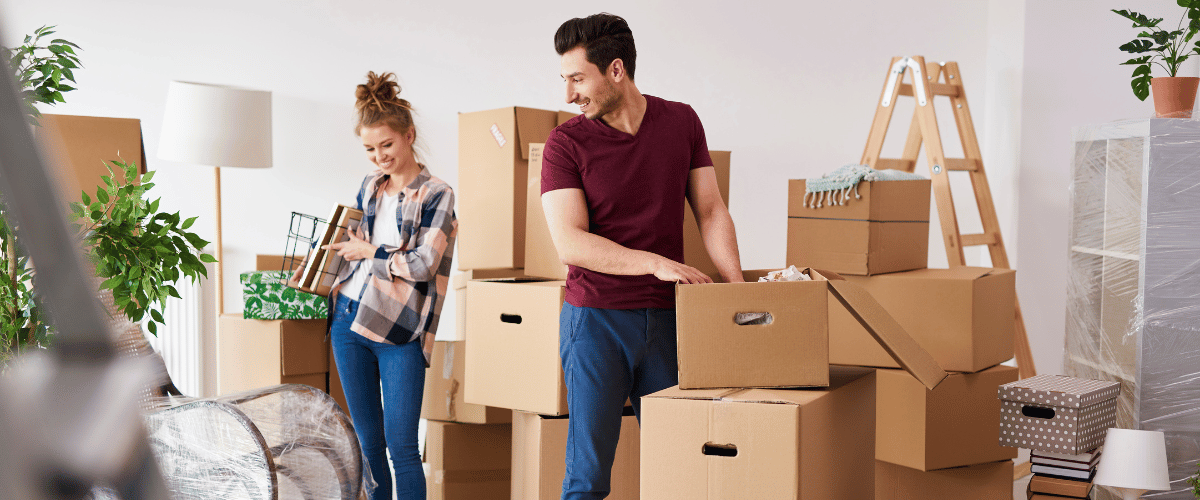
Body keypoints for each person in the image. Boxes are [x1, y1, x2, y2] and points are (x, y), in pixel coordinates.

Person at [540, 13, 744, 500]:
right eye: (564, 80)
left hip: (670, 320)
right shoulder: (565, 144)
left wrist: (736, 289)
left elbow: (711, 210)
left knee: (681, 470)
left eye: (577, 79)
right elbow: (570, 242)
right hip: (597, 322)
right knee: (588, 479)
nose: (568, 95)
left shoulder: (681, 121)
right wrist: (653, 262)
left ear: (616, 70)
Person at [325, 71, 457, 500]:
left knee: (403, 448)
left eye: (387, 145)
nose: (379, 157)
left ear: (409, 135)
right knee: (368, 445)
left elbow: (423, 265)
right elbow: (349, 245)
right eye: (369, 149)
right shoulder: (370, 187)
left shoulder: (436, 193)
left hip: (400, 329)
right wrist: (315, 270)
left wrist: (372, 252)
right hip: (348, 319)